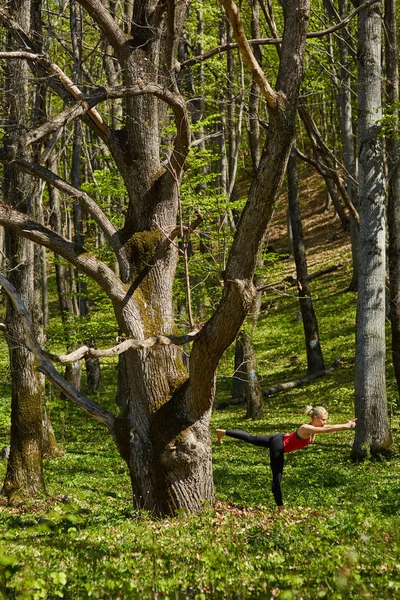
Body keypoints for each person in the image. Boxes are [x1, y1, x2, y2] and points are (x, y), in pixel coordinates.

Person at [215, 405, 356, 513]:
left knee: (252, 439)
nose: (325, 423)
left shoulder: (311, 427)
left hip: (279, 437)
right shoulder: (306, 427)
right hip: (278, 445)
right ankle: (281, 508)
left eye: (326, 420)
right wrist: (345, 426)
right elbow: (326, 430)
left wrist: (344, 425)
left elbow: (327, 428)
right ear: (315, 418)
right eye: (323, 420)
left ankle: (223, 432)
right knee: (277, 477)